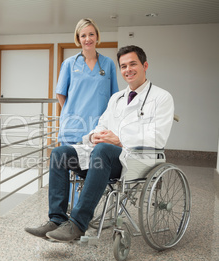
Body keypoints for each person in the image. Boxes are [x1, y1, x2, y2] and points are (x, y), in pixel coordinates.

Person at [25, 45, 174, 242]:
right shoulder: (117, 98)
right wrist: (93, 136)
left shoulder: (161, 97)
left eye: (133, 64)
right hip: (105, 158)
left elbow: (159, 136)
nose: (127, 70)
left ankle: (78, 224)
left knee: (103, 150)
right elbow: (102, 124)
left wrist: (120, 140)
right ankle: (56, 219)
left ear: (145, 65)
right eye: (123, 66)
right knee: (59, 154)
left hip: (138, 160)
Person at [56, 18, 119, 146]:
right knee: (71, 164)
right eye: (83, 35)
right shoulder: (69, 64)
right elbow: (60, 94)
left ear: (97, 36)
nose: (87, 39)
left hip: (99, 129)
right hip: (73, 127)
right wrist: (72, 113)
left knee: (96, 164)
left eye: (91, 34)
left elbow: (114, 97)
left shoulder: (108, 64)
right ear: (78, 39)